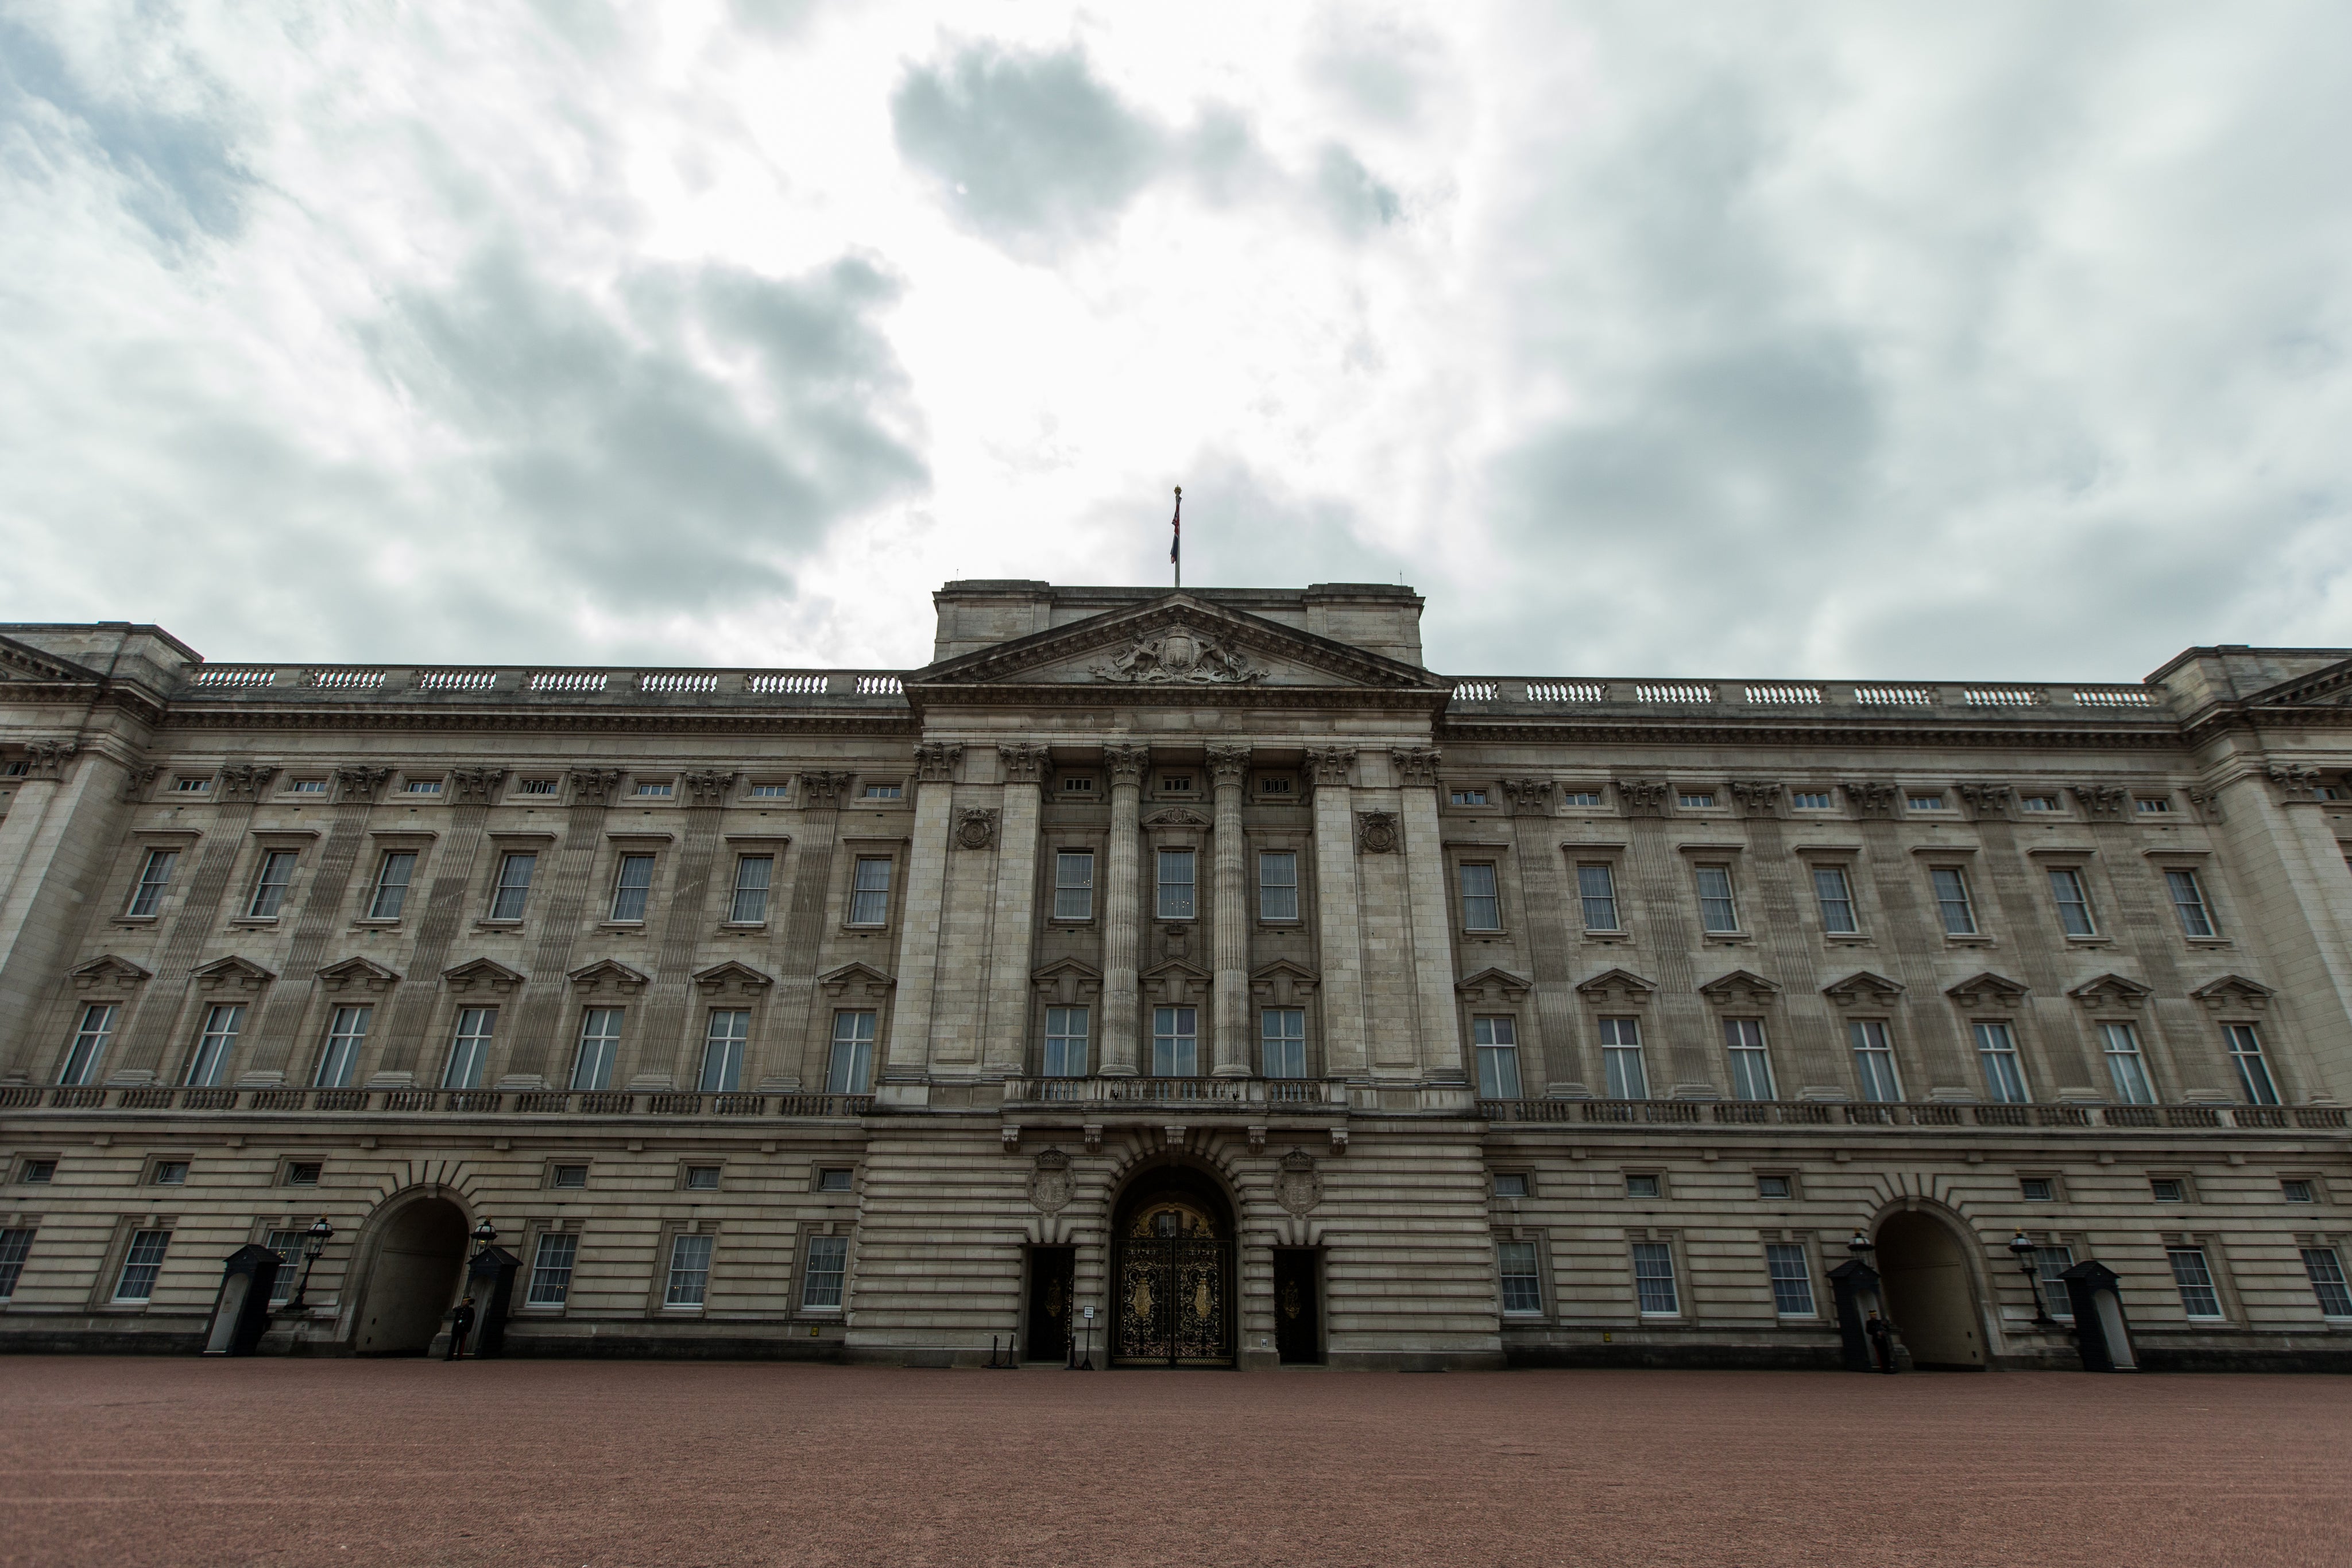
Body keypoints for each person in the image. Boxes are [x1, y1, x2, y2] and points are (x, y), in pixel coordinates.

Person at [447, 1295, 476, 1361]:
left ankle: (459, 1356)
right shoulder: (460, 1310)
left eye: (465, 1301)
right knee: (453, 1343)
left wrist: (468, 1330)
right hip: (457, 1328)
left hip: (463, 1329)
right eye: (463, 1301)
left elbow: (471, 1321)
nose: (464, 1303)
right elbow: (456, 1317)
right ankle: (449, 1356)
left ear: (468, 1302)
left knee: (461, 1343)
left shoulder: (470, 1310)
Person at [1865, 1311, 1895, 1375]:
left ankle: (1888, 1368)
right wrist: (1876, 1332)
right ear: (1871, 1315)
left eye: (1875, 1315)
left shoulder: (1880, 1322)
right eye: (1873, 1315)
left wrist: (1885, 1327)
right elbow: (1868, 1331)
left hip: (1883, 1340)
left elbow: (1887, 1329)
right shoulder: (1869, 1323)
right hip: (1877, 1340)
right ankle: (1884, 1369)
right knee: (1881, 1355)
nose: (1874, 1316)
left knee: (1886, 1354)